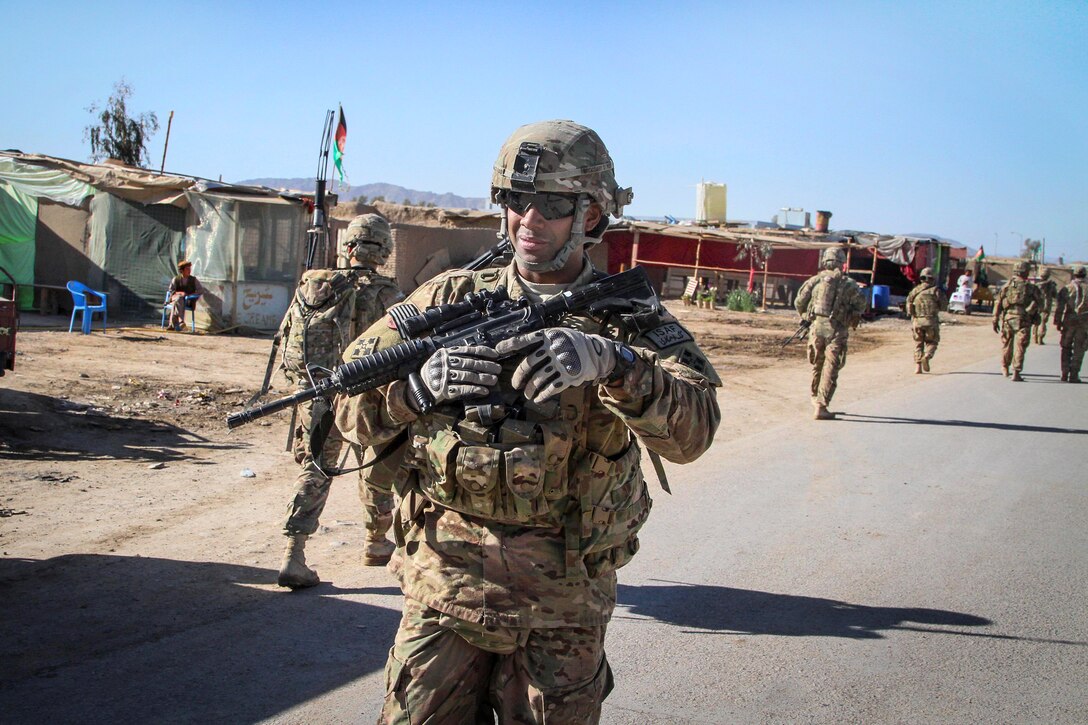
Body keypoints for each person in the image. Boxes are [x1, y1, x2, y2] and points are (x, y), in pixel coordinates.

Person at [334, 120, 721, 723]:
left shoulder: (627, 314)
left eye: (552, 205)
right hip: (444, 587)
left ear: (591, 216)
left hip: (563, 604)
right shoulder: (445, 300)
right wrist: (414, 389)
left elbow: (694, 433)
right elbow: (347, 409)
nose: (528, 221)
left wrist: (616, 364)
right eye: (516, 202)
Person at [277, 213, 404, 589]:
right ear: (383, 251)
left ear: (347, 248)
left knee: (316, 469)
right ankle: (376, 541)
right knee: (377, 468)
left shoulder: (316, 288)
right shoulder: (388, 295)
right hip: (367, 399)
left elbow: (286, 338)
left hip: (317, 392)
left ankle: (294, 553)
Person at [794, 246, 866, 420]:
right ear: (841, 263)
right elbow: (861, 305)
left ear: (825, 261)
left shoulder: (815, 281)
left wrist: (807, 317)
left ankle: (814, 396)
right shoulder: (848, 284)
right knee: (831, 367)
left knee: (817, 364)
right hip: (837, 330)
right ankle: (821, 405)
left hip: (816, 328)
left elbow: (799, 302)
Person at [992, 260, 1044, 382]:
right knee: (1021, 346)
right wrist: (1034, 312)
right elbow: (1040, 304)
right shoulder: (1031, 287)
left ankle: (1005, 368)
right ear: (1026, 272)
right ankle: (1016, 372)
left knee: (1007, 344)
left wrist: (995, 318)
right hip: (1024, 320)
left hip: (1008, 319)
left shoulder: (1009, 285)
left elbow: (998, 302)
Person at [905, 267, 948, 373]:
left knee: (918, 343)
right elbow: (944, 306)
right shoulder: (936, 291)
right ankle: (927, 356)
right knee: (933, 342)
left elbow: (909, 307)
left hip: (917, 322)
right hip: (931, 321)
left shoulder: (915, 291)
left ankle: (918, 368)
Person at [1054, 264, 1088, 383]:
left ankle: (1064, 373)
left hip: (1069, 321)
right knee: (1079, 348)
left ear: (1074, 274)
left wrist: (1057, 321)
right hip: (1084, 323)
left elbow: (1059, 307)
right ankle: (1074, 375)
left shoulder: (1067, 288)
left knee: (1066, 347)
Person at [166, 260, 203, 331]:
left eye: (190, 269)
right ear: (182, 270)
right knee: (178, 298)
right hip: (176, 297)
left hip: (188, 301)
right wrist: (179, 292)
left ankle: (172, 324)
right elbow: (171, 290)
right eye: (187, 269)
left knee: (176, 303)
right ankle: (180, 321)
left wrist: (189, 295)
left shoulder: (193, 280)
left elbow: (200, 290)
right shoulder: (176, 279)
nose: (189, 270)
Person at [1033, 266, 1059, 344]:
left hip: (1037, 305)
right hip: (1046, 305)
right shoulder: (1051, 285)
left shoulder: (1036, 284)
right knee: (1043, 322)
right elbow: (1055, 295)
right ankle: (1041, 338)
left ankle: (1035, 338)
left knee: (1036, 322)